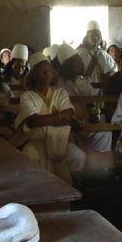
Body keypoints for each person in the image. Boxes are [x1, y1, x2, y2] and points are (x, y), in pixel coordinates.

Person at [14, 53, 85, 183]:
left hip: (60, 142)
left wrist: (45, 119)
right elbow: (33, 121)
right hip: (37, 143)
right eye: (42, 69)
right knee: (28, 156)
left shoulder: (60, 93)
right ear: (34, 74)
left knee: (78, 156)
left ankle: (72, 195)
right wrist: (59, 117)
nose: (47, 71)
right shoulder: (27, 96)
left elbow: (68, 115)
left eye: (49, 68)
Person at [55, 44, 112, 153]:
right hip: (68, 126)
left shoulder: (82, 81)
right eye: (78, 62)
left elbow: (94, 98)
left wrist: (94, 113)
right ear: (69, 65)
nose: (82, 64)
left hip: (86, 123)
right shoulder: (59, 84)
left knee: (105, 132)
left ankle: (100, 165)